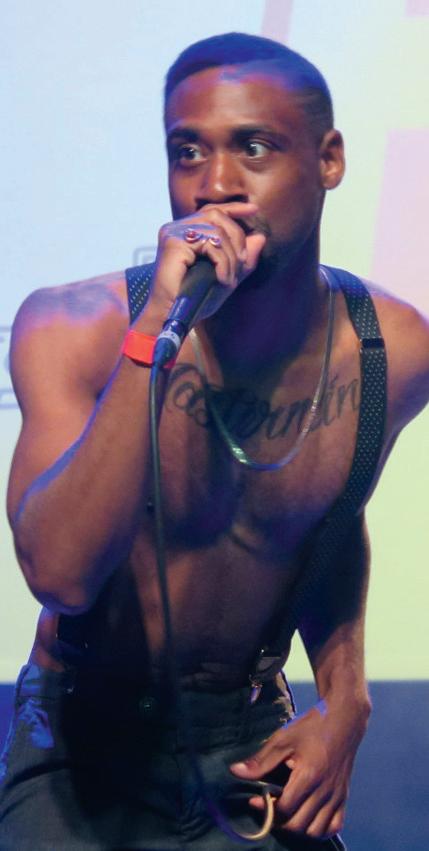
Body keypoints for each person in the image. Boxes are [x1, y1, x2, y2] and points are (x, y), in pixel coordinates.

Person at [1, 31, 428, 851]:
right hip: (84, 736)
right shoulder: (72, 328)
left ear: (329, 160)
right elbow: (61, 575)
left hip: (247, 732)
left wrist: (345, 696)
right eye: (187, 151)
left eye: (253, 148)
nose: (215, 185)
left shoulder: (389, 350)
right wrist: (155, 334)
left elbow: (322, 523)